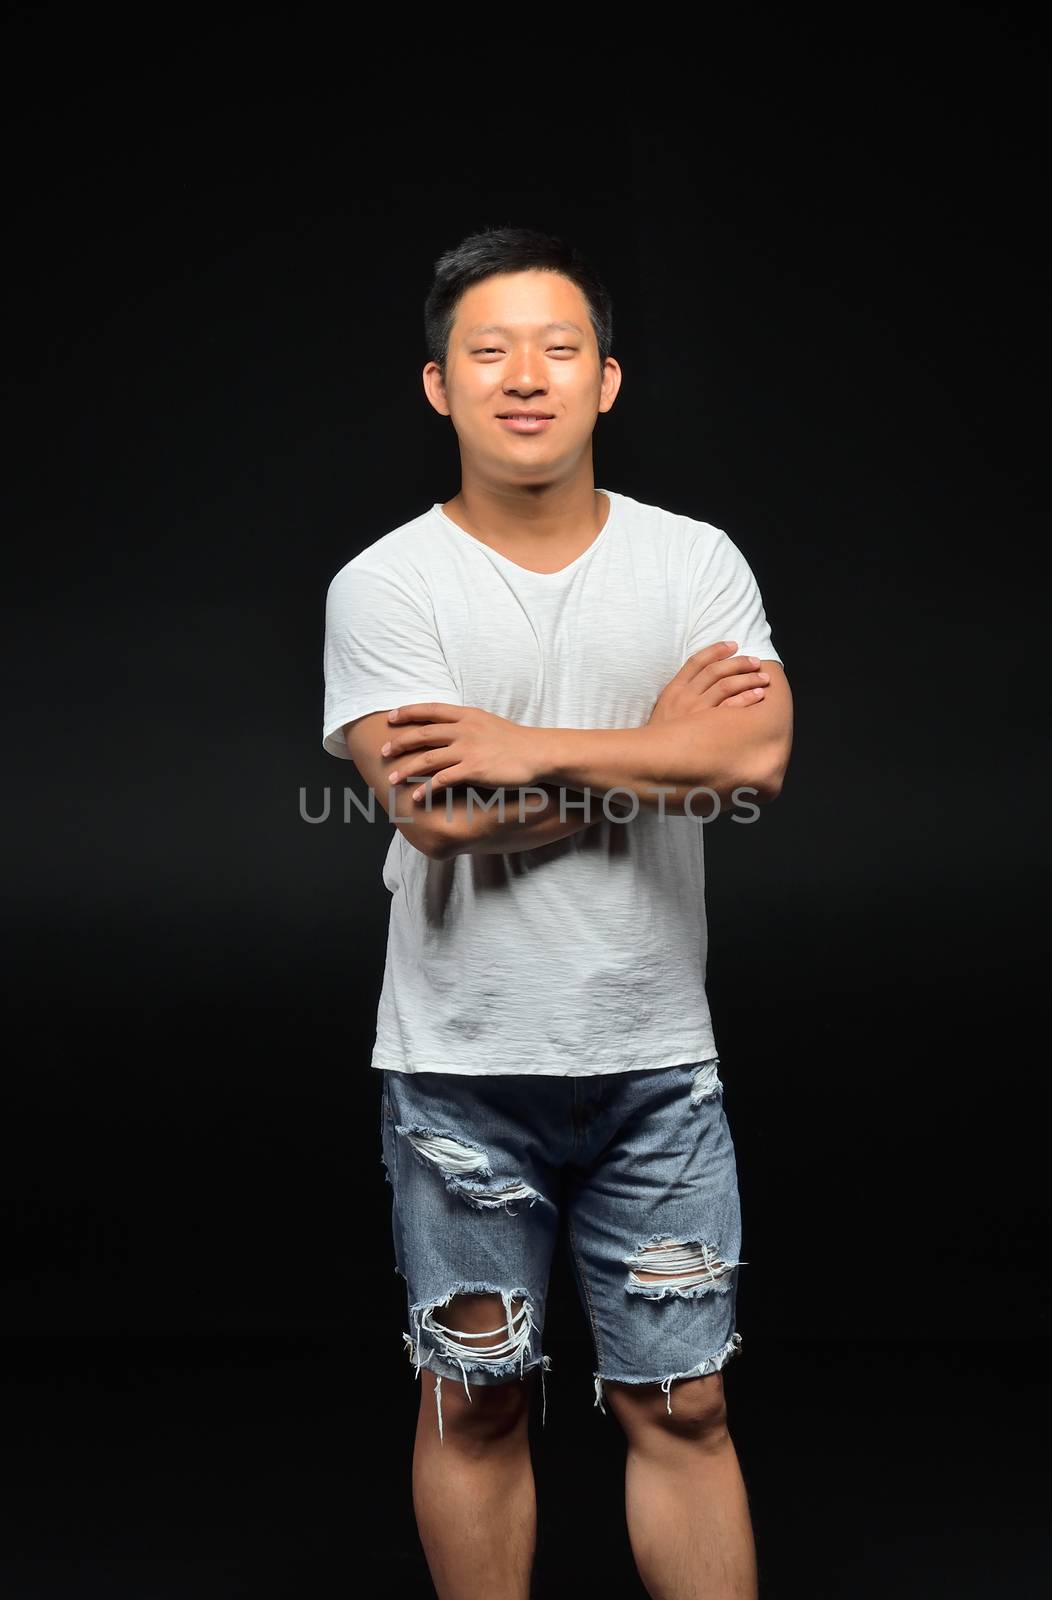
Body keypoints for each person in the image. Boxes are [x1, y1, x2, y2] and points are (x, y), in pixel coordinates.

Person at [321, 225, 793, 1600]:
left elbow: (753, 761)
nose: (524, 375)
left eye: (558, 346)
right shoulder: (388, 583)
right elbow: (434, 819)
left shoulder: (695, 563)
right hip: (459, 1068)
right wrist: (655, 747)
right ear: (440, 387)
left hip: (656, 1061)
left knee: (688, 1408)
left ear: (606, 380)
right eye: (489, 350)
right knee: (476, 1403)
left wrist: (526, 750)